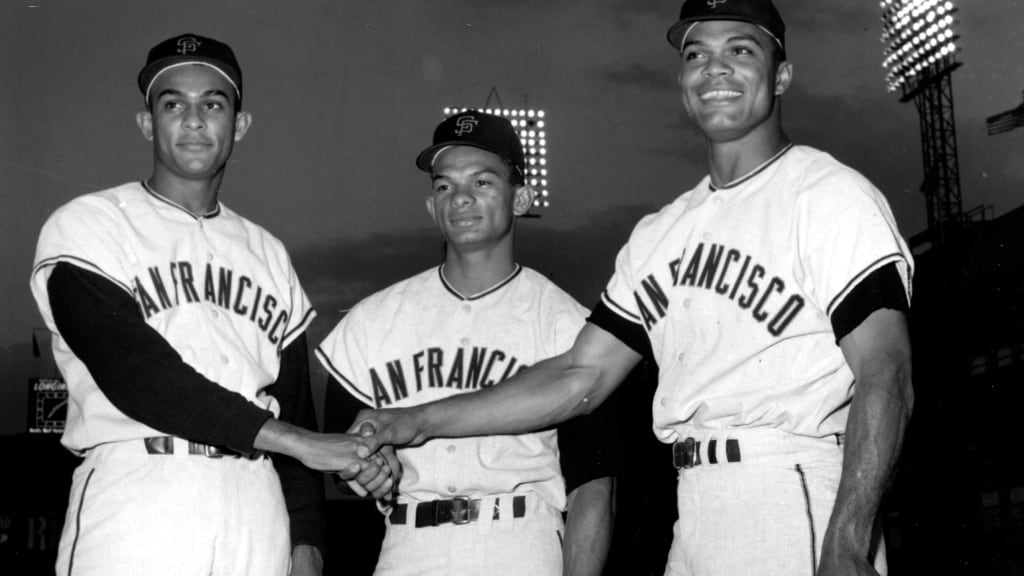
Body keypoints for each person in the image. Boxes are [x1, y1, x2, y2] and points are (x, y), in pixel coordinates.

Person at [350, 1, 915, 575]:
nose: (714, 69)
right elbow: (580, 375)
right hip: (694, 506)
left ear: (782, 75)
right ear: (683, 81)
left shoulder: (828, 195)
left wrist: (847, 539)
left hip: (790, 486)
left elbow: (885, 371)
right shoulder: (661, 234)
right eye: (697, 54)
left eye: (740, 50)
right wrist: (414, 420)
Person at [29, 33, 374, 576]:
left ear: (239, 126)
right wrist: (297, 441)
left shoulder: (268, 252)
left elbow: (293, 403)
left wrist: (306, 541)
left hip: (255, 501)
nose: (194, 119)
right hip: (140, 490)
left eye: (213, 103)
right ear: (147, 123)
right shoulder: (90, 224)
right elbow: (137, 372)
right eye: (173, 104)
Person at [317, 110, 621, 576]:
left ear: (521, 198)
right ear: (430, 207)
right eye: (444, 186)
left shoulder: (568, 325)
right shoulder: (372, 320)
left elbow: (593, 487)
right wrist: (366, 465)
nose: (460, 198)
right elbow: (342, 458)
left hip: (521, 544)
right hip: (407, 547)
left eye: (482, 182)